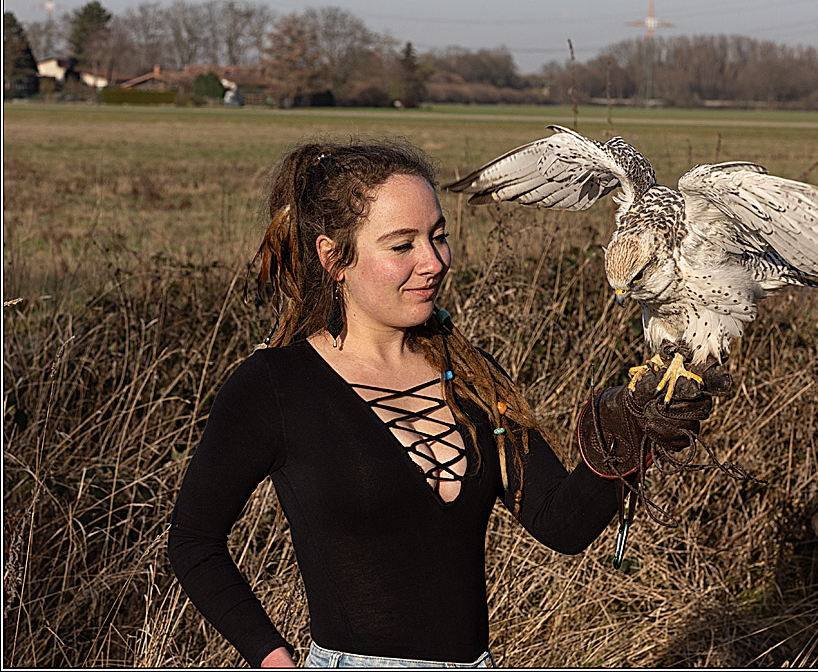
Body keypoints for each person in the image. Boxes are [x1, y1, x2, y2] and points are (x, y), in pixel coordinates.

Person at [166, 139, 728, 668]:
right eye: (402, 244)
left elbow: (561, 524)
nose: (434, 261)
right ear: (335, 259)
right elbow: (194, 542)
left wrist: (629, 434)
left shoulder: (473, 380)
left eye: (439, 235)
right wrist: (272, 656)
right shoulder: (274, 386)